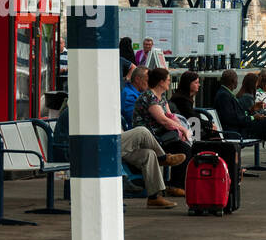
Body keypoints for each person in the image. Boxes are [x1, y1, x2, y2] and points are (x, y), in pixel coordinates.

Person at [54, 106, 185, 208]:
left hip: (99, 147)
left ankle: (154, 197)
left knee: (148, 154)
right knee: (142, 132)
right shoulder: (80, 110)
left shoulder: (94, 109)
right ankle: (163, 158)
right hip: (81, 150)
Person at [132, 67, 194, 193]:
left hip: (162, 135)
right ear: (161, 82)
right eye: (168, 80)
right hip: (150, 138)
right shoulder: (149, 97)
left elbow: (170, 116)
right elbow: (162, 120)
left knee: (184, 147)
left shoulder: (162, 97)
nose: (169, 82)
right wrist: (183, 129)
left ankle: (176, 184)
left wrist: (180, 131)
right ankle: (175, 185)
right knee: (183, 148)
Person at [213, 68, 266, 140]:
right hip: (237, 131)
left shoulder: (225, 94)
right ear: (233, 81)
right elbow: (232, 119)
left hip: (239, 128)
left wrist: (251, 110)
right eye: (237, 80)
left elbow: (236, 115)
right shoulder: (224, 96)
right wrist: (253, 117)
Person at [122, 65, 147, 131]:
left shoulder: (139, 92)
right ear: (137, 79)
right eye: (147, 81)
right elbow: (136, 119)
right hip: (136, 131)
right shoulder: (128, 95)